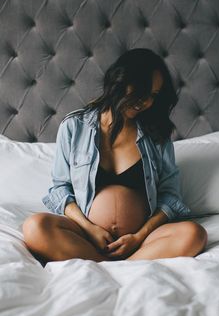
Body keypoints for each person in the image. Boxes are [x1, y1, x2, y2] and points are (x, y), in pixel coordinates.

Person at [22, 48, 207, 264]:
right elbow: (60, 188)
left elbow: (170, 195)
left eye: (153, 95)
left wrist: (138, 237)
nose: (145, 101)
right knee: (35, 227)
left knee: (194, 234)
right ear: (119, 81)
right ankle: (115, 263)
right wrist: (89, 229)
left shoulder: (157, 134)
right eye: (141, 90)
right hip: (87, 237)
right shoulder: (74, 127)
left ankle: (121, 265)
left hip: (142, 239)